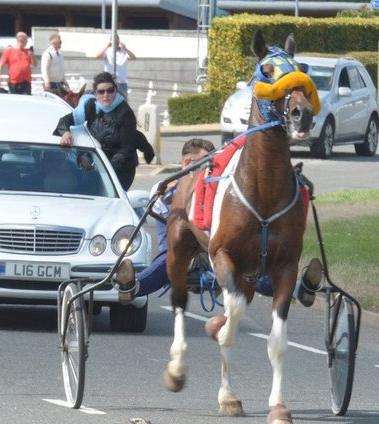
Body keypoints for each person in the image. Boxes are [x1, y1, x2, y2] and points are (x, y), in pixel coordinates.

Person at [132, 138, 322, 306]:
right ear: (188, 162)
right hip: (182, 247)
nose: (212, 169)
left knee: (247, 271)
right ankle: (132, 285)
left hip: (210, 246)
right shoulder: (167, 186)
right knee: (168, 262)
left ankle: (300, 289)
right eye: (208, 162)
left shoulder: (213, 183)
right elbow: (168, 203)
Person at [54, 71, 154, 190]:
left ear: (115, 91)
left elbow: (126, 149)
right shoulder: (90, 106)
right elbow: (66, 120)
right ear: (95, 94)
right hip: (97, 164)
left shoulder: (125, 113)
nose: (105, 95)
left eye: (110, 90)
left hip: (122, 167)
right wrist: (65, 132)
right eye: (101, 92)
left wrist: (106, 170)